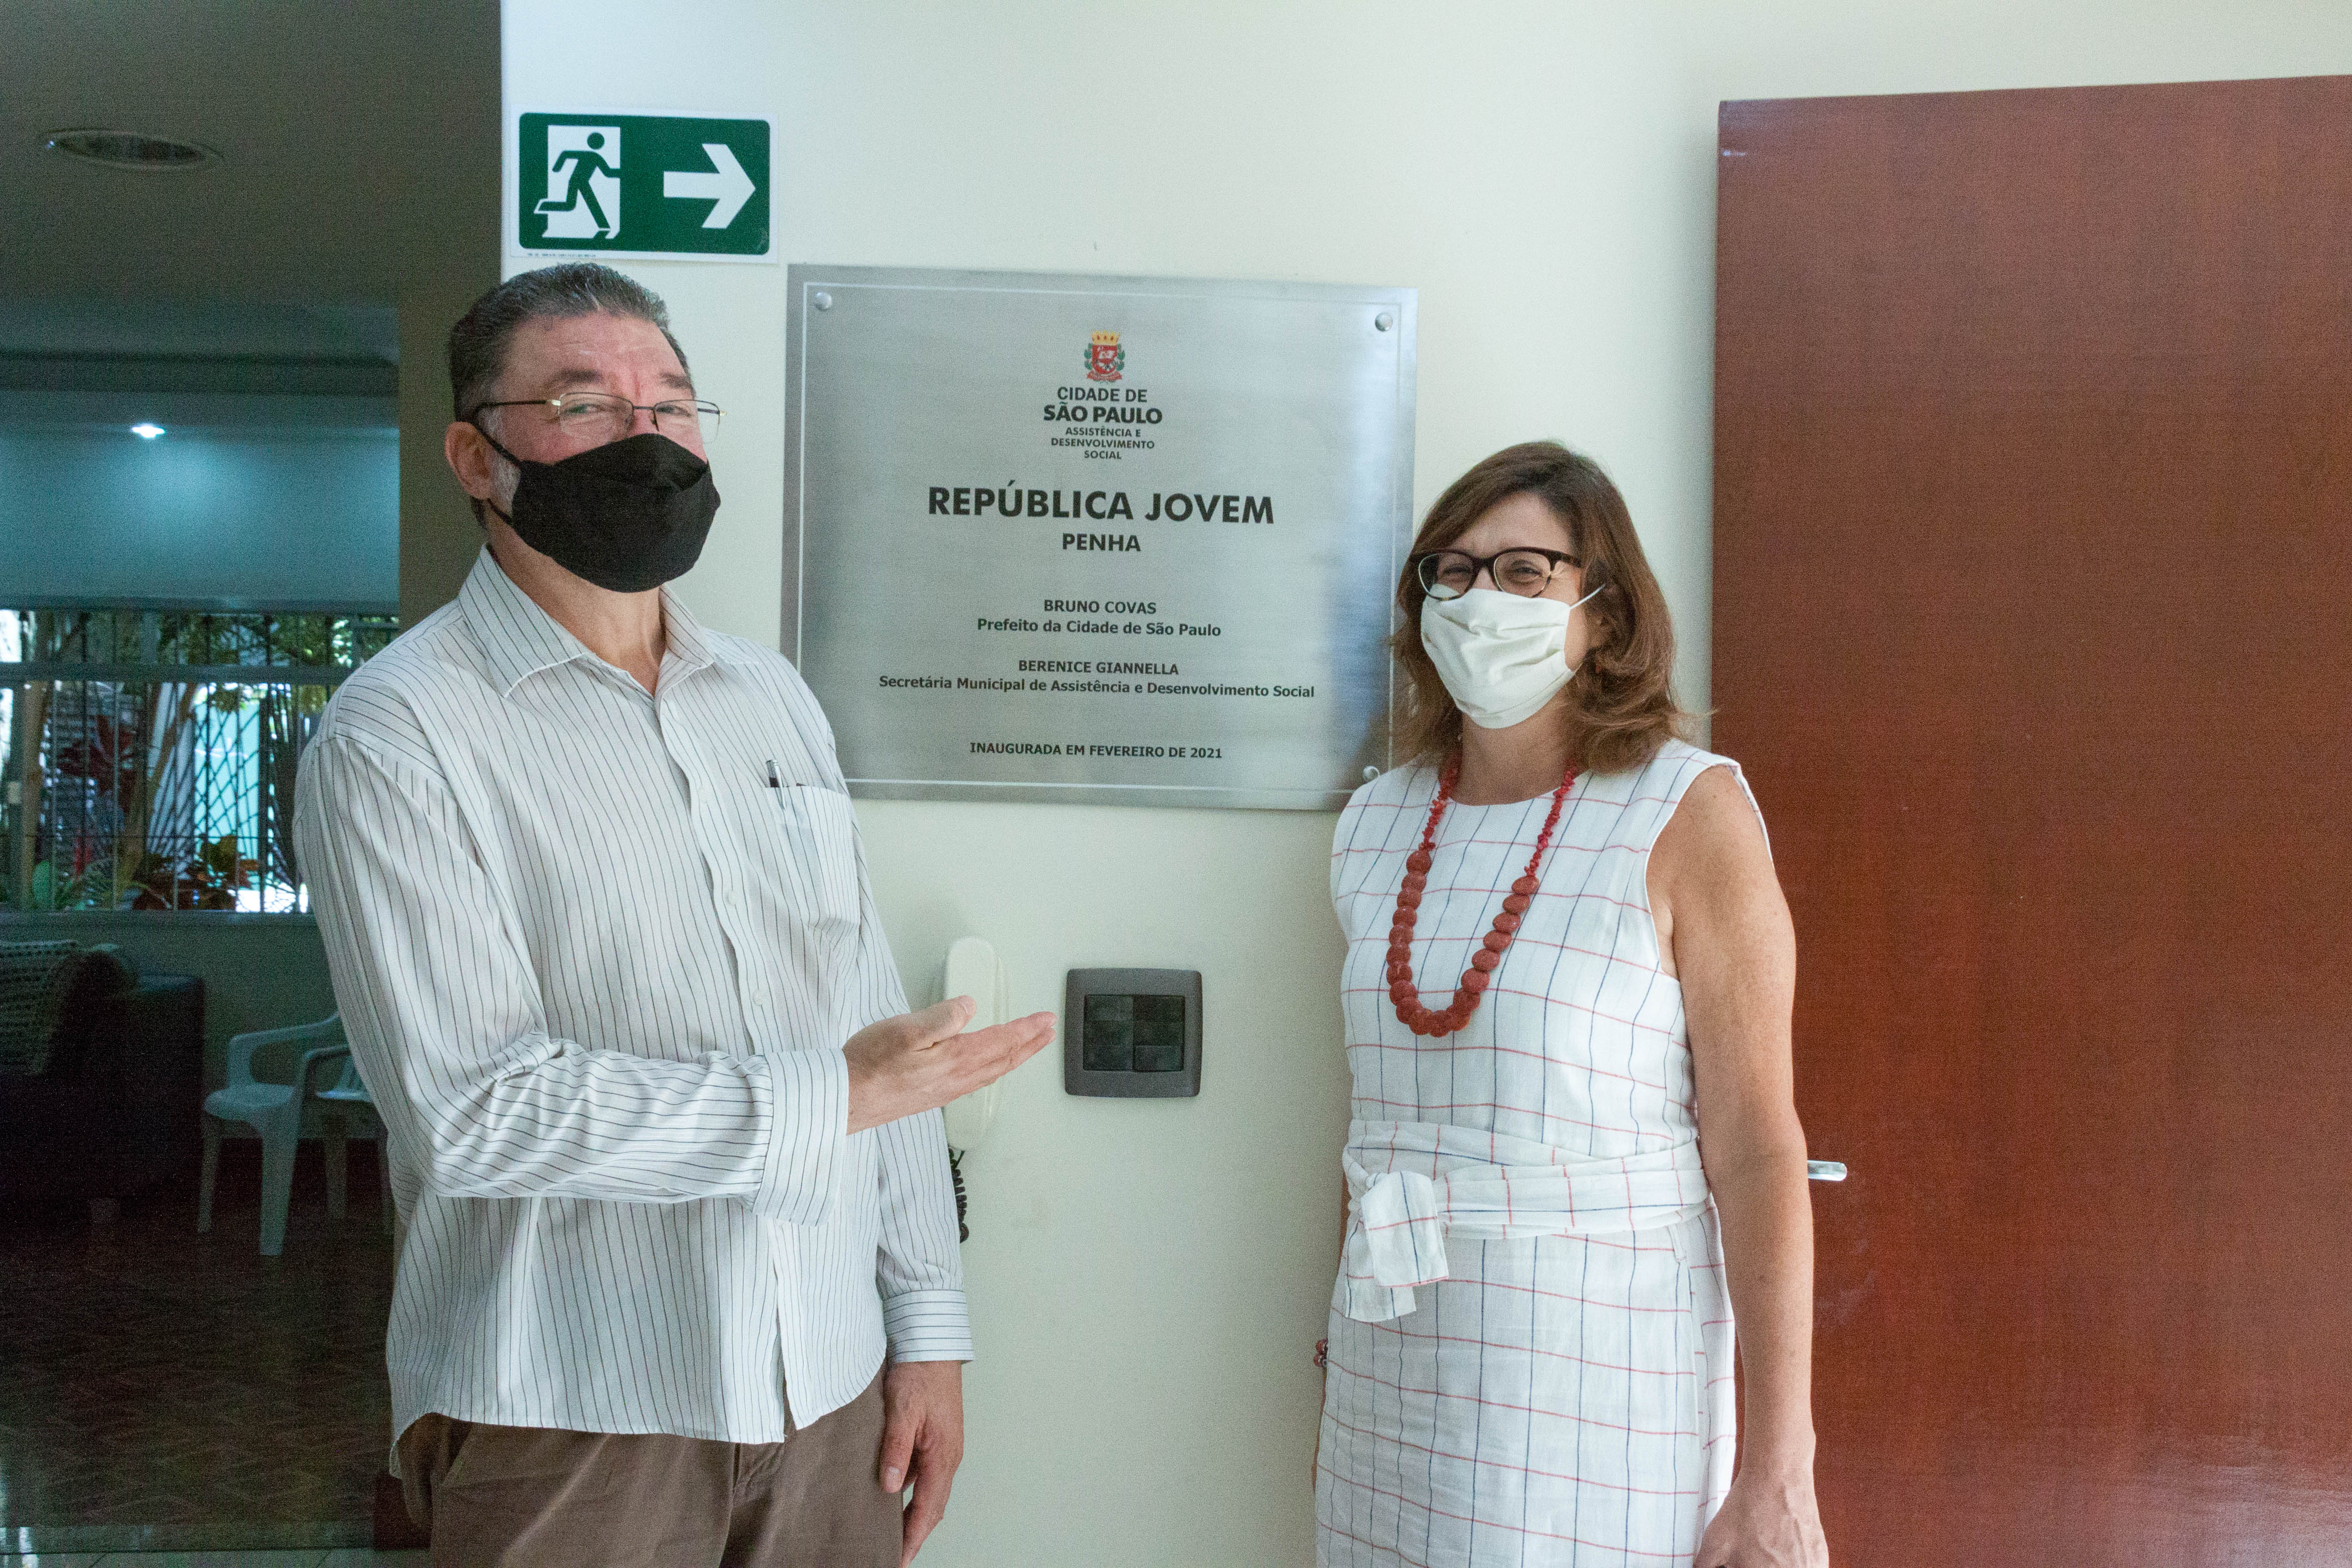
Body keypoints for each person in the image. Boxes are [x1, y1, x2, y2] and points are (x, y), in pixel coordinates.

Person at [292, 262, 1053, 1568]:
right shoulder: (397, 732)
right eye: (586, 404)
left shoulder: (770, 703)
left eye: (675, 405)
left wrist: (928, 1331)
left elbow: (879, 1035)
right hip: (566, 1421)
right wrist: (831, 1095)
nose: (648, 438)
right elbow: (472, 1110)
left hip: (828, 1391)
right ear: (478, 456)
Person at [1315, 441, 1829, 1567]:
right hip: (1387, 1379)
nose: (1477, 597)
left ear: (1605, 609)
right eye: (1449, 573)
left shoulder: (1689, 811)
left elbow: (1755, 1150)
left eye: (1523, 571)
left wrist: (1778, 1471)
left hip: (1600, 1381)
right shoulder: (1374, 824)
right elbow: (1369, 1120)